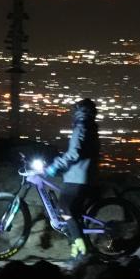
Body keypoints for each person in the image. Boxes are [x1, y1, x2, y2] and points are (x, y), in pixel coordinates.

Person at [45, 98, 100, 266]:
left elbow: (73, 154)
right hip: (83, 177)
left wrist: (54, 166)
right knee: (73, 216)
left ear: (79, 112)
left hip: (77, 179)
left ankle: (83, 252)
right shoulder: (90, 127)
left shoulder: (81, 127)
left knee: (65, 210)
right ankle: (76, 252)